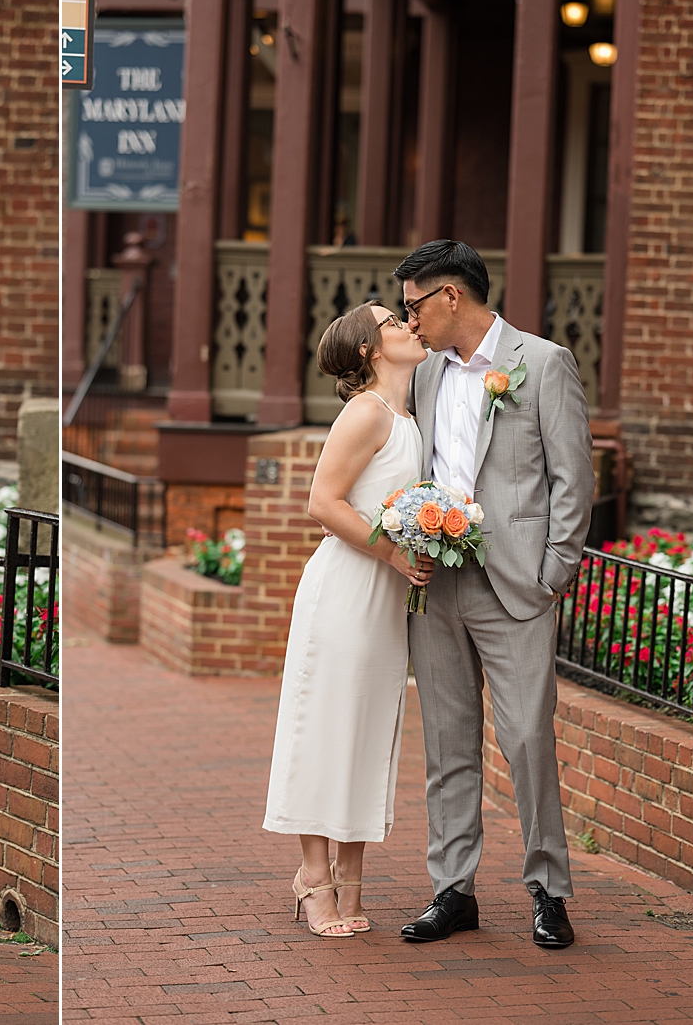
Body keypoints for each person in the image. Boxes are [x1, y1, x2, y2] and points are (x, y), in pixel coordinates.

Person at [395, 240, 592, 950]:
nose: (408, 321)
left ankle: (549, 890)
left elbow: (572, 478)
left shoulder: (541, 364)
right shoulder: (423, 375)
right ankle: (453, 890)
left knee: (528, 738)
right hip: (437, 582)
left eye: (415, 305)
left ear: (452, 296)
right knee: (447, 743)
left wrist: (553, 574)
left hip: (515, 585)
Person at [263, 301, 431, 938]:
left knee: (370, 734)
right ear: (368, 350)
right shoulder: (365, 412)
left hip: (387, 598)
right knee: (328, 729)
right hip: (347, 589)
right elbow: (322, 501)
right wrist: (392, 551)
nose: (407, 327)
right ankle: (313, 878)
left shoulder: (410, 415)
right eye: (393, 323)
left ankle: (353, 881)